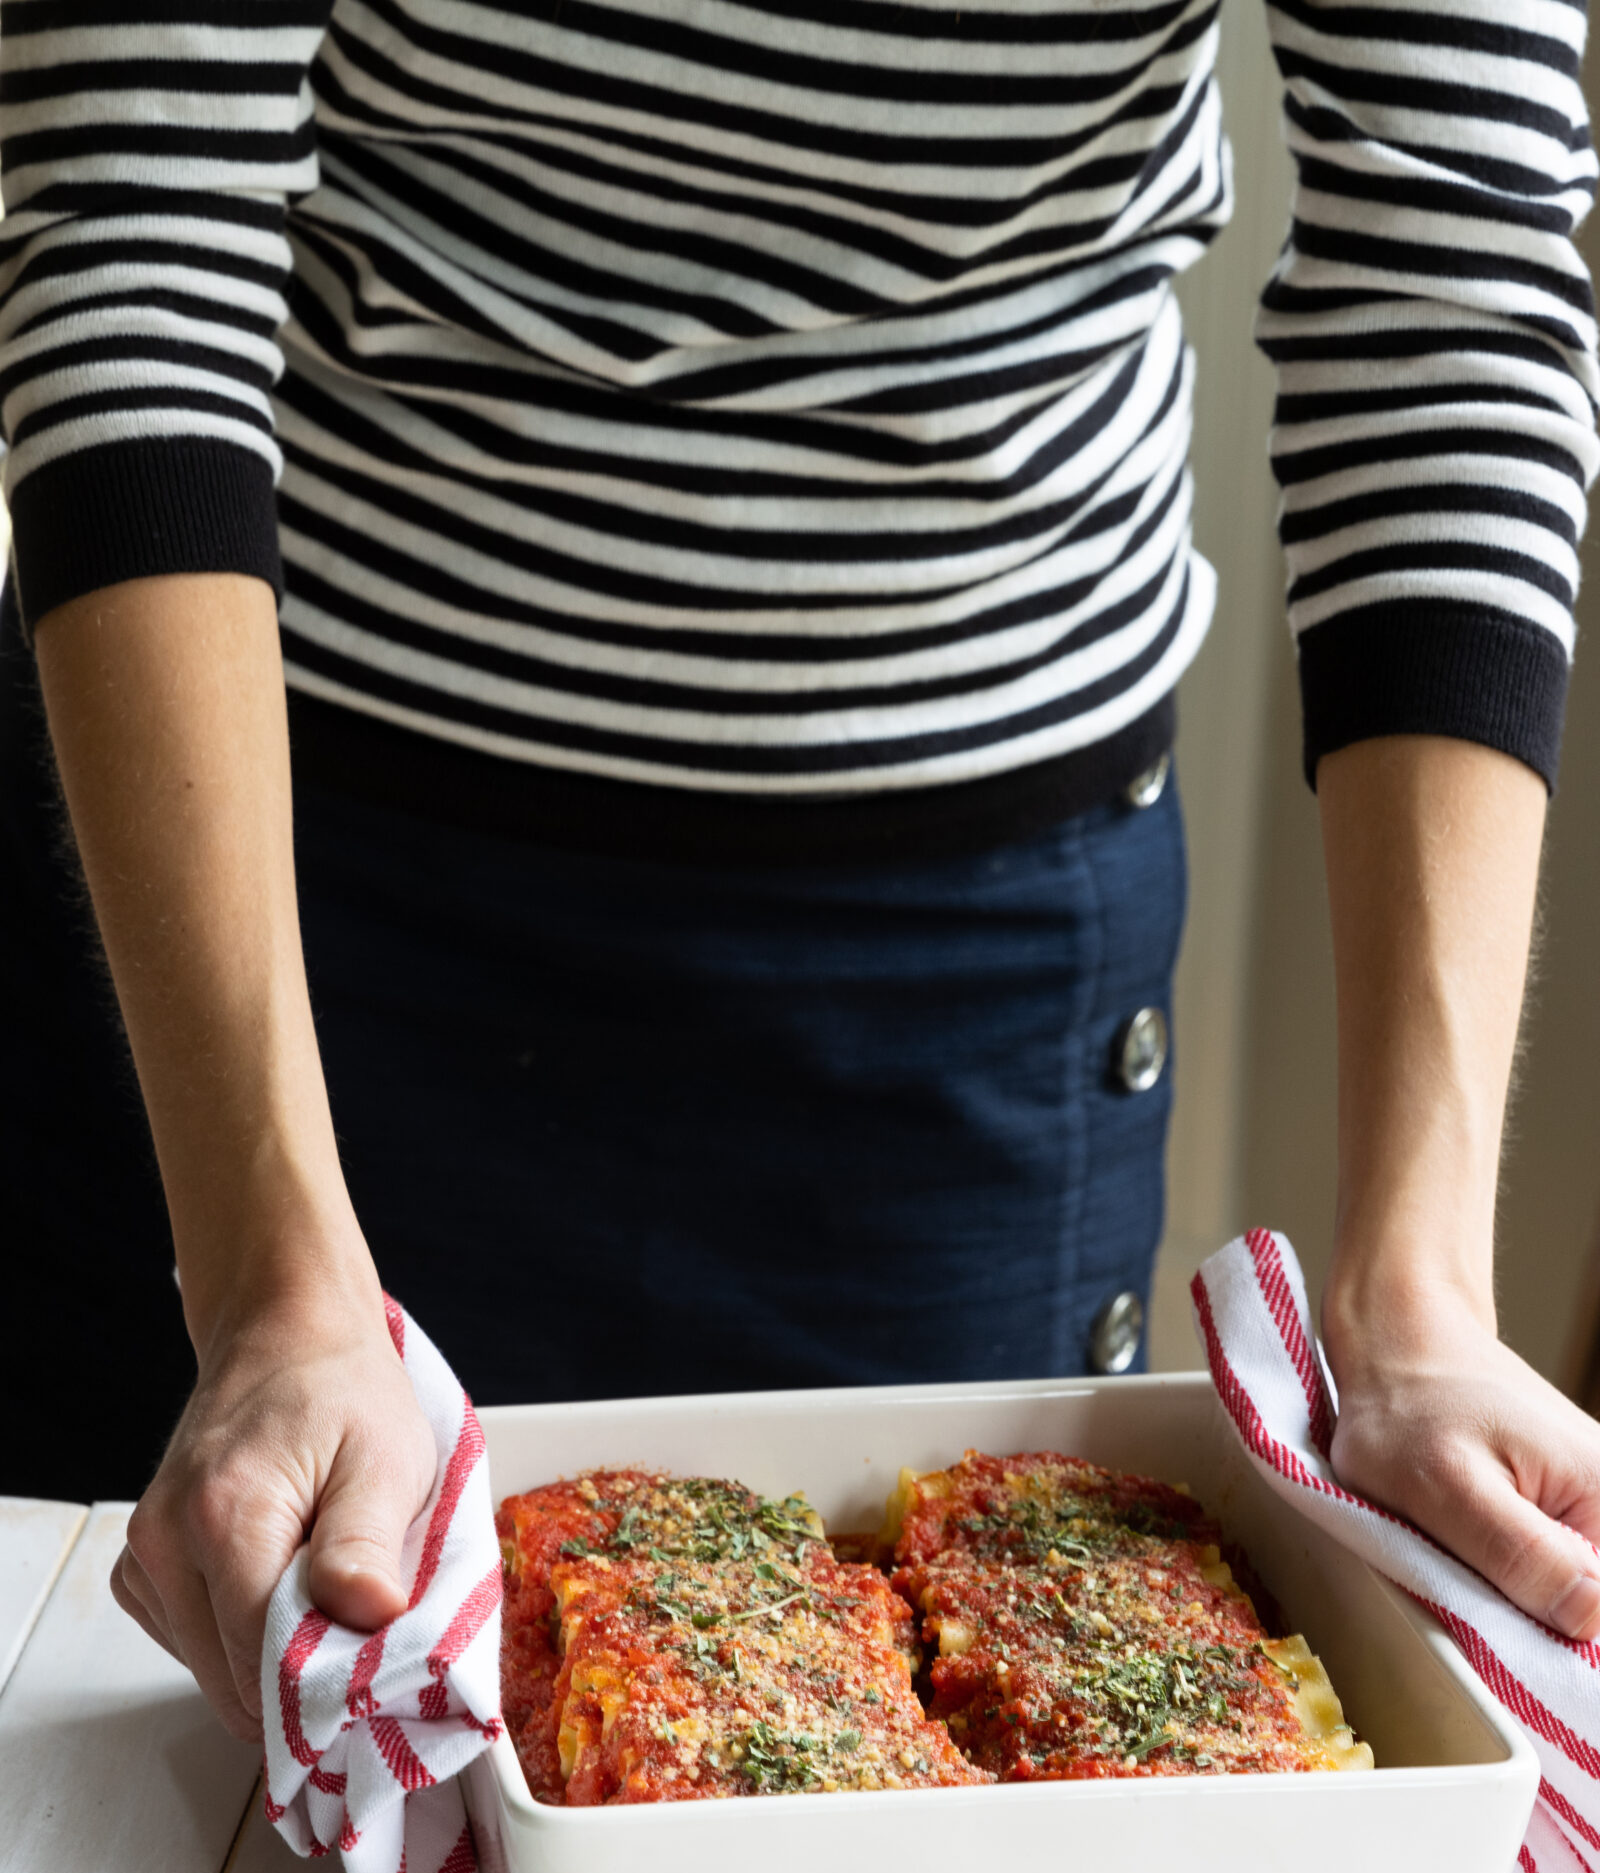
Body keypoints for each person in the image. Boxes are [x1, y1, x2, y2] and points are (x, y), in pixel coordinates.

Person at [3, 0, 1599, 1745]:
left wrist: (1421, 1290)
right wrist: (261, 1281)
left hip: (956, 980)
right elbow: (135, 211)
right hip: (262, 893)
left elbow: (1449, 269)